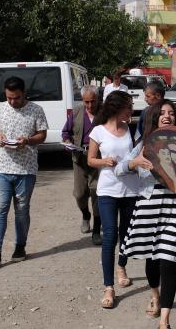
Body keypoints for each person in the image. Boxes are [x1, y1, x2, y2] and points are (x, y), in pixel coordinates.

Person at [117, 100, 176, 329]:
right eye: (162, 113)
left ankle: (165, 321)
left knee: (168, 261)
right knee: (152, 258)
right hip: (148, 206)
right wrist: (135, 162)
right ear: (155, 117)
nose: (167, 116)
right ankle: (155, 295)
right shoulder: (143, 143)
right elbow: (119, 169)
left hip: (173, 208)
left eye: (171, 113)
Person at [0, 76, 48, 270]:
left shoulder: (36, 110)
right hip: (2, 168)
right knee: (0, 209)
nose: (12, 101)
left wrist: (27, 140)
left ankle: (20, 246)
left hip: (26, 170)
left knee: (21, 210)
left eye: (16, 98)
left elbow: (42, 135)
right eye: (9, 97)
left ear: (23, 93)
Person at [87, 91, 140, 308]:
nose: (131, 110)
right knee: (110, 236)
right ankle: (109, 287)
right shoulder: (98, 131)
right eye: (128, 106)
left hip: (130, 191)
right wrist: (104, 161)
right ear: (117, 108)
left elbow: (139, 154)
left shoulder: (132, 129)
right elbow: (90, 160)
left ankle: (121, 265)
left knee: (126, 235)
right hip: (107, 190)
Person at [62, 85, 102, 244]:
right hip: (79, 157)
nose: (90, 106)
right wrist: (67, 141)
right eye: (87, 102)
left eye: (93, 101)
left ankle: (97, 230)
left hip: (98, 158)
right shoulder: (77, 112)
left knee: (96, 193)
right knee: (79, 193)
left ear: (98, 99)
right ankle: (86, 215)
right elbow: (66, 132)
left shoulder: (104, 113)